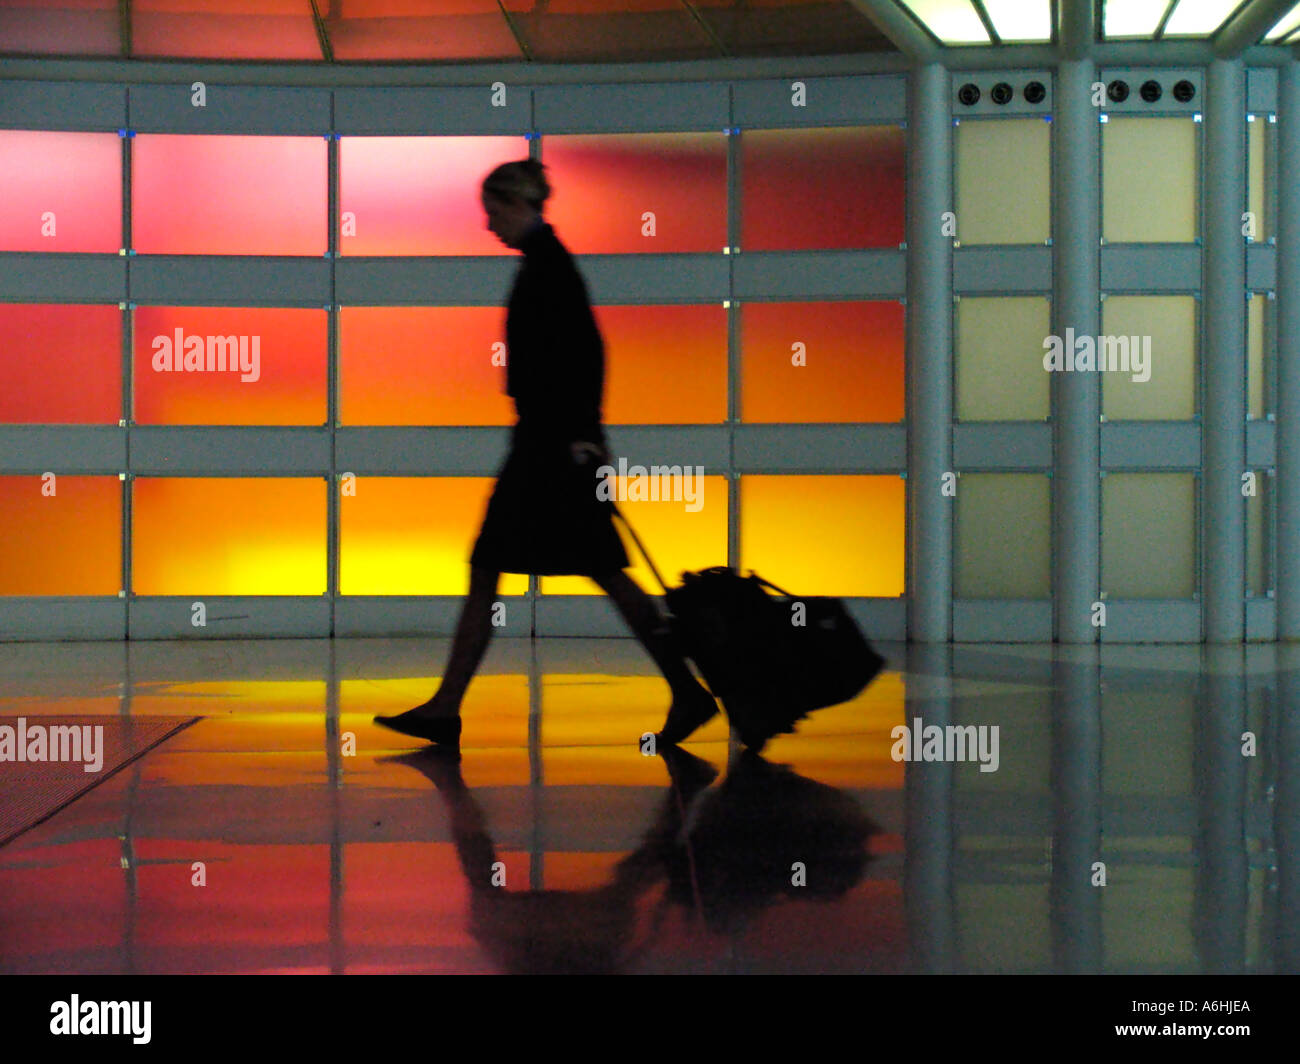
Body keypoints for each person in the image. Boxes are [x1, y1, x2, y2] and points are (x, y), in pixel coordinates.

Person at [375, 159, 718, 749]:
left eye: (492, 212)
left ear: (515, 205)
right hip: (552, 443)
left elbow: (583, 354)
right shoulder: (548, 265)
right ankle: (684, 691)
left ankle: (448, 708)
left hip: (549, 448)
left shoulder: (548, 269)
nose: (489, 226)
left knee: (536, 568)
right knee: (583, 570)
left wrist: (581, 432)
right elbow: (588, 352)